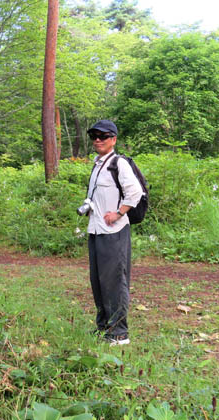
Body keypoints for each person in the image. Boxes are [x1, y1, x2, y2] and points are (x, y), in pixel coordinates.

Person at [84, 119, 143, 345]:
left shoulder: (119, 164)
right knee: (98, 281)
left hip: (114, 232)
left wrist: (119, 213)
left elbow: (135, 193)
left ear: (113, 139)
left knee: (115, 281)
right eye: (94, 136)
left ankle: (119, 333)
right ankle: (103, 327)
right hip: (96, 230)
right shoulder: (98, 164)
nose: (98, 140)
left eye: (103, 136)